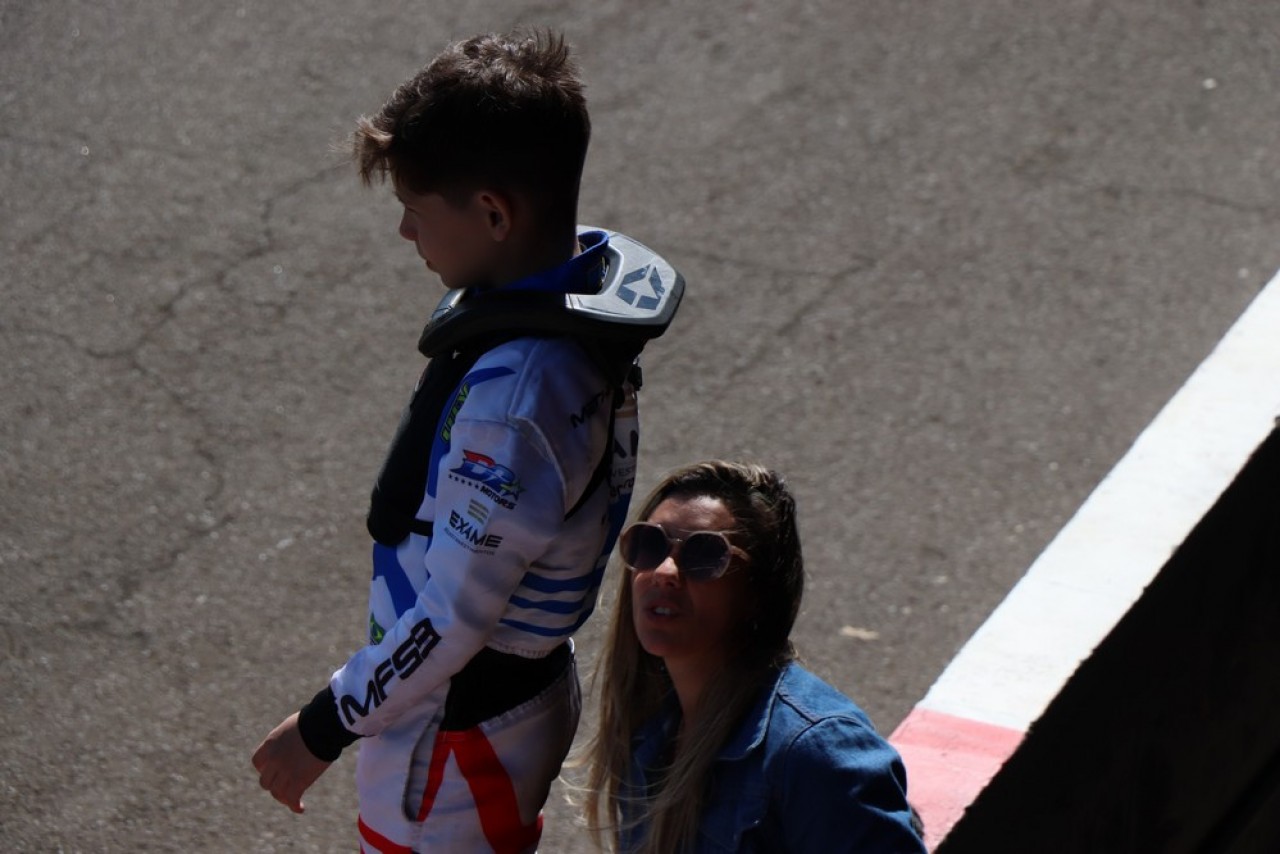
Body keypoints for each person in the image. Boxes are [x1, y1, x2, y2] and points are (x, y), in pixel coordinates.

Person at [252, 30, 681, 853]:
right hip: (485, 715)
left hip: (453, 741)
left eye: (416, 212)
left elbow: (452, 620)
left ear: (492, 213)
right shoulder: (565, 320)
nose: (404, 232)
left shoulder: (516, 407)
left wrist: (321, 727)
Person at [581, 461, 926, 853]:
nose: (664, 570)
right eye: (649, 544)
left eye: (704, 555)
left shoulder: (816, 750)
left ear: (758, 595)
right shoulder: (650, 732)